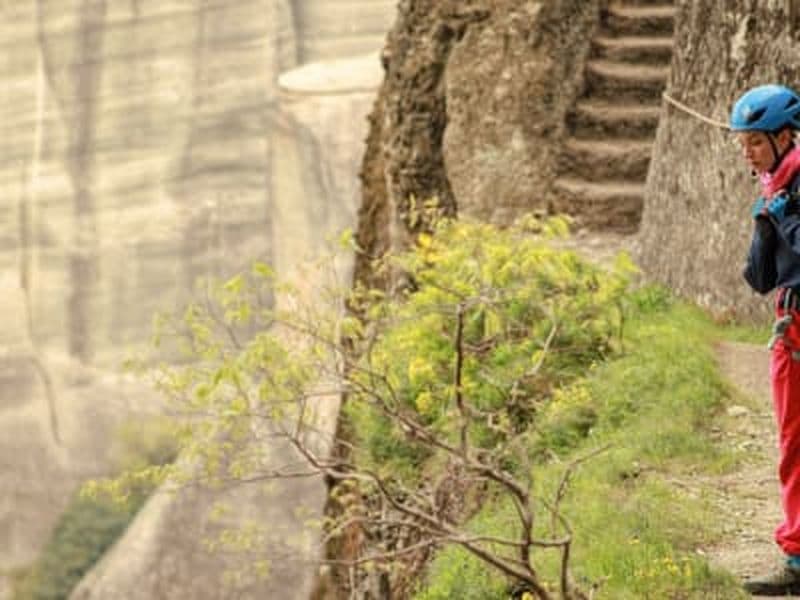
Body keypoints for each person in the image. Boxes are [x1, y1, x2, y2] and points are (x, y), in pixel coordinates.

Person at [735, 83, 800, 596]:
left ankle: (796, 557)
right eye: (743, 142)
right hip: (788, 323)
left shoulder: (792, 189)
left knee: (795, 446)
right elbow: (759, 278)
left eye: (754, 142)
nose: (747, 152)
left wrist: (781, 214)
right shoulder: (776, 186)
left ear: (783, 137)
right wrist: (765, 220)